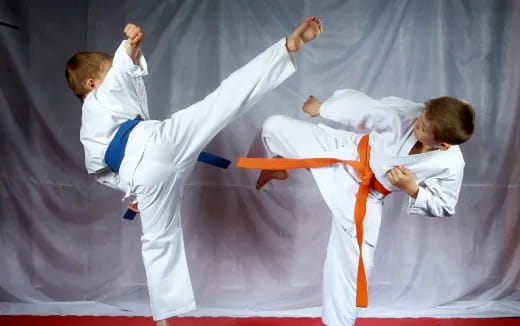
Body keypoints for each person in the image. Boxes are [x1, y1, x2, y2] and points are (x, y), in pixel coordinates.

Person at [65, 18, 322, 326]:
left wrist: (133, 191)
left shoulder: (87, 133)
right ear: (92, 83)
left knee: (158, 241)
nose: (115, 76)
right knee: (223, 100)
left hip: (142, 174)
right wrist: (129, 47)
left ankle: (163, 318)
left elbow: (100, 171)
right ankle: (285, 50)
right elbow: (121, 71)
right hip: (158, 141)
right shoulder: (103, 94)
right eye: (106, 73)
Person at [237, 89, 476, 326]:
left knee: (353, 264)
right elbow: (367, 110)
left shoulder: (450, 164)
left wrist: (412, 188)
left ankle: (338, 323)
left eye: (423, 127)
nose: (417, 122)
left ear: (443, 144)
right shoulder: (408, 112)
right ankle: (275, 164)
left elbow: (445, 205)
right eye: (422, 115)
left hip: (365, 194)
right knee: (274, 126)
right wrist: (323, 108)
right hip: (346, 151)